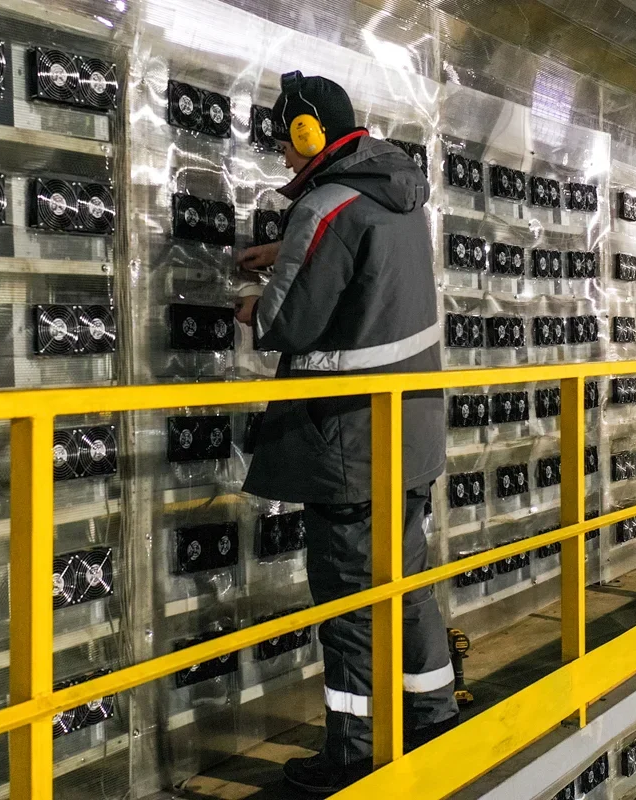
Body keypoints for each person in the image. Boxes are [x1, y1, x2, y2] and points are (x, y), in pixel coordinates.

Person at [234, 71, 459, 794]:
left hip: (348, 446)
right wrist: (289, 256)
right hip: (409, 439)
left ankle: (356, 751)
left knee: (350, 601)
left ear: (310, 135)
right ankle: (432, 718)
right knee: (407, 583)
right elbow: (366, 281)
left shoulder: (322, 206)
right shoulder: (396, 196)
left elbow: (286, 323)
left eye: (286, 141)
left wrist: (255, 303)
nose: (283, 156)